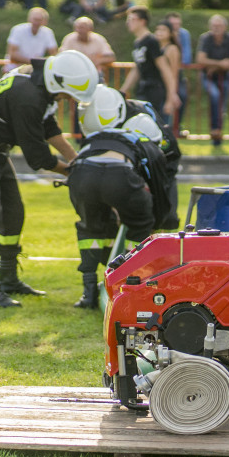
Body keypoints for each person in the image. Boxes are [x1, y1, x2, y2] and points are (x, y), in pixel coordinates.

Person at [0, 49, 98, 306]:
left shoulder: (39, 82)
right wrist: (71, 171)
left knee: (13, 212)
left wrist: (75, 159)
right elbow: (37, 156)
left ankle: (8, 279)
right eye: (68, 94)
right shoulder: (28, 96)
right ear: (58, 83)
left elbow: (48, 126)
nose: (67, 100)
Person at [69, 86, 175, 309]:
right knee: (139, 225)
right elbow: (159, 192)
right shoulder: (148, 145)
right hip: (120, 174)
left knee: (90, 228)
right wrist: (156, 222)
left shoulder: (101, 134)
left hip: (80, 171)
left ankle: (88, 292)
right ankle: (128, 286)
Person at [119, 6, 179, 123]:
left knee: (154, 124)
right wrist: (122, 91)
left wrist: (171, 96)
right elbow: (137, 69)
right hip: (143, 88)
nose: (128, 22)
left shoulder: (151, 41)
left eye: (132, 19)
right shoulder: (138, 42)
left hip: (155, 89)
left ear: (142, 21)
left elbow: (165, 69)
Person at [195, 14, 229, 146]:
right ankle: (214, 130)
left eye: (219, 25)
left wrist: (214, 66)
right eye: (214, 26)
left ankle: (217, 135)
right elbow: (200, 59)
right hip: (208, 76)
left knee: (222, 106)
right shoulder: (205, 38)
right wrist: (221, 64)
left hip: (225, 76)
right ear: (210, 27)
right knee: (215, 96)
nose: (216, 28)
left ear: (225, 27)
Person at [6, 7, 58, 72]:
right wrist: (35, 62)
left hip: (33, 70)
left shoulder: (48, 32)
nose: (37, 23)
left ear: (45, 21)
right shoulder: (17, 30)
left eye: (40, 20)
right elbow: (12, 54)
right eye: (35, 19)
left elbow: (54, 54)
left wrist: (36, 62)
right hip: (14, 69)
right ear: (29, 19)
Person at [165, 12, 191, 134]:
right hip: (164, 73)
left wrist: (177, 64)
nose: (176, 26)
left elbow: (187, 55)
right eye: (173, 24)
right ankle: (165, 127)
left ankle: (176, 126)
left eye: (177, 24)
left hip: (177, 73)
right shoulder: (163, 35)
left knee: (181, 96)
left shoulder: (184, 34)